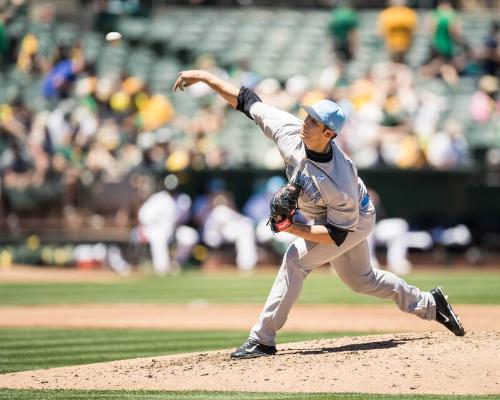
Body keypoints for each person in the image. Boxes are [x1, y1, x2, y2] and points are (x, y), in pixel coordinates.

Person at [172, 69, 465, 360]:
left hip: (354, 221)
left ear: (329, 133)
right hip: (328, 219)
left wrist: (290, 228)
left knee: (295, 260)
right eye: (307, 116)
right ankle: (430, 303)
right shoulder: (289, 130)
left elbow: (337, 235)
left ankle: (262, 339)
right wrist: (204, 77)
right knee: (362, 281)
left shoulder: (340, 178)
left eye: (313, 121)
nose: (305, 122)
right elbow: (246, 100)